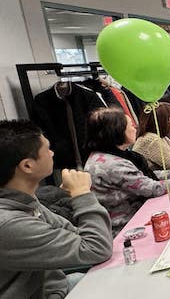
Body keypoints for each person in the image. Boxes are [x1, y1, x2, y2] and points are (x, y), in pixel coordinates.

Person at [0, 120, 113, 298]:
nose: (52, 153)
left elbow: (75, 235)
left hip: (57, 287)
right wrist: (82, 193)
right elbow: (96, 248)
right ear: (27, 165)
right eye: (47, 149)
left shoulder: (24, 200)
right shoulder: (8, 223)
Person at [84, 107, 170, 235]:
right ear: (117, 131)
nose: (135, 128)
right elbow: (154, 189)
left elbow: (142, 176)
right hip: (129, 229)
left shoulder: (107, 155)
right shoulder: (112, 165)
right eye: (130, 125)